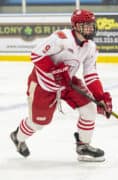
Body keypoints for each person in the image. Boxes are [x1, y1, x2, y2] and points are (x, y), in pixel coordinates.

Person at [10, 9, 112, 162]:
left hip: (68, 82)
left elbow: (91, 75)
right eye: (87, 25)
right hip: (43, 84)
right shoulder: (61, 38)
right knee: (38, 123)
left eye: (92, 24)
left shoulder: (90, 47)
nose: (91, 28)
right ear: (76, 26)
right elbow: (36, 55)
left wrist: (100, 97)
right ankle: (18, 137)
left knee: (90, 109)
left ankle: (83, 146)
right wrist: (53, 70)